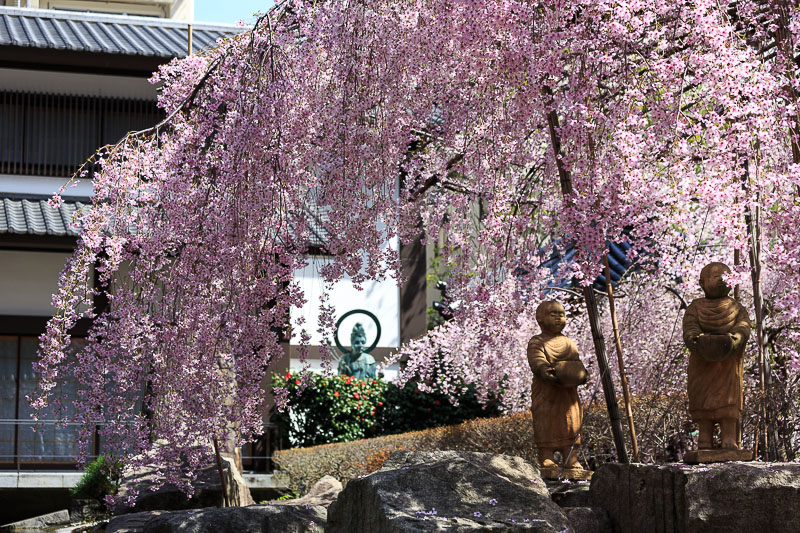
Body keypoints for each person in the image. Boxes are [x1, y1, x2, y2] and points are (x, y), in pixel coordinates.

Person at [683, 262, 751, 450]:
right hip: (702, 362)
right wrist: (694, 339)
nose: (720, 280)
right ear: (702, 282)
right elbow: (690, 327)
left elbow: (743, 326)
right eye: (714, 277)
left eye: (725, 276)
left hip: (728, 363)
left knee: (728, 401)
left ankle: (729, 439)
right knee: (702, 399)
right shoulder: (695, 307)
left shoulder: (736, 308)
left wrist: (736, 338)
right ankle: (704, 439)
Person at [527, 300, 589, 469]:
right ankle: (547, 456)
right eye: (553, 315)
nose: (558, 318)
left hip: (568, 393)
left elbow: (576, 361)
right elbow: (536, 360)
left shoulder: (568, 342)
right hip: (547, 392)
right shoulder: (536, 341)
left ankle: (571, 457)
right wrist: (543, 369)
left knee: (572, 422)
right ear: (540, 319)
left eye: (561, 315)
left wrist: (582, 374)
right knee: (546, 421)